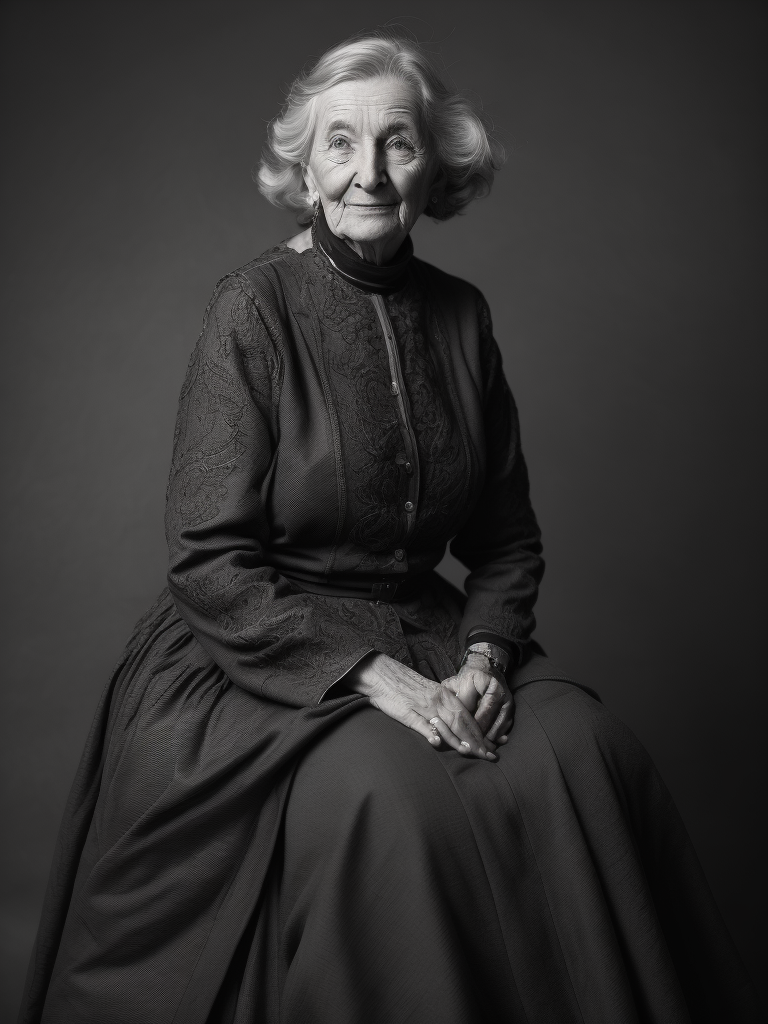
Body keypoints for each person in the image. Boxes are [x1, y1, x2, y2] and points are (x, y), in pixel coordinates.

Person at [19, 30, 761, 1024]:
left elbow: (507, 541)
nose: (368, 172)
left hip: (432, 625)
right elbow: (210, 565)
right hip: (256, 650)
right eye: (340, 143)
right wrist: (380, 681)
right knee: (390, 798)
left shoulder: (462, 314)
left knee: (589, 747)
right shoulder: (252, 310)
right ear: (304, 165)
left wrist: (489, 661)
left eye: (398, 144)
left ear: (436, 166)